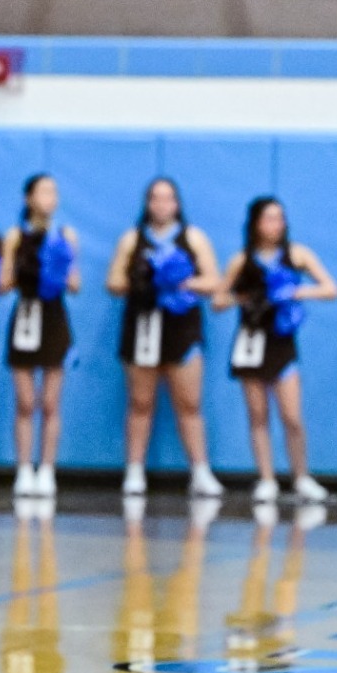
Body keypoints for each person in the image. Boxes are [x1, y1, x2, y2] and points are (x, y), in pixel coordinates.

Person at [211, 196, 337, 504]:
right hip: (252, 342)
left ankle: (301, 476)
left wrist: (296, 291)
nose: (276, 224)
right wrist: (244, 297)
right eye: (269, 218)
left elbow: (331, 288)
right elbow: (217, 301)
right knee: (257, 414)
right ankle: (266, 478)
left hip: (282, 344)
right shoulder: (243, 261)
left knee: (292, 416)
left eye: (280, 218)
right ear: (256, 223)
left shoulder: (296, 255)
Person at [106, 176, 223, 499]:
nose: (162, 204)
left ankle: (200, 471)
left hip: (181, 329)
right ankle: (134, 471)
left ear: (177, 203)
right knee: (140, 402)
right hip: (143, 327)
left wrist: (180, 282)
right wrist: (145, 282)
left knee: (189, 403)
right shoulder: (133, 239)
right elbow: (113, 281)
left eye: (168, 198)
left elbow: (213, 280)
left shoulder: (193, 238)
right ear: (147, 204)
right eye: (155, 198)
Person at [0, 173, 78, 498]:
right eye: (43, 191)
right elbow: (2, 284)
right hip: (26, 316)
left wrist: (57, 269)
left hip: (54, 317)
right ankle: (23, 469)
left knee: (50, 402)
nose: (50, 197)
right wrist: (25, 270)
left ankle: (47, 469)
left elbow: (75, 283)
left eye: (54, 191)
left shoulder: (66, 235)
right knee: (26, 402)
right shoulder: (16, 236)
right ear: (28, 198)